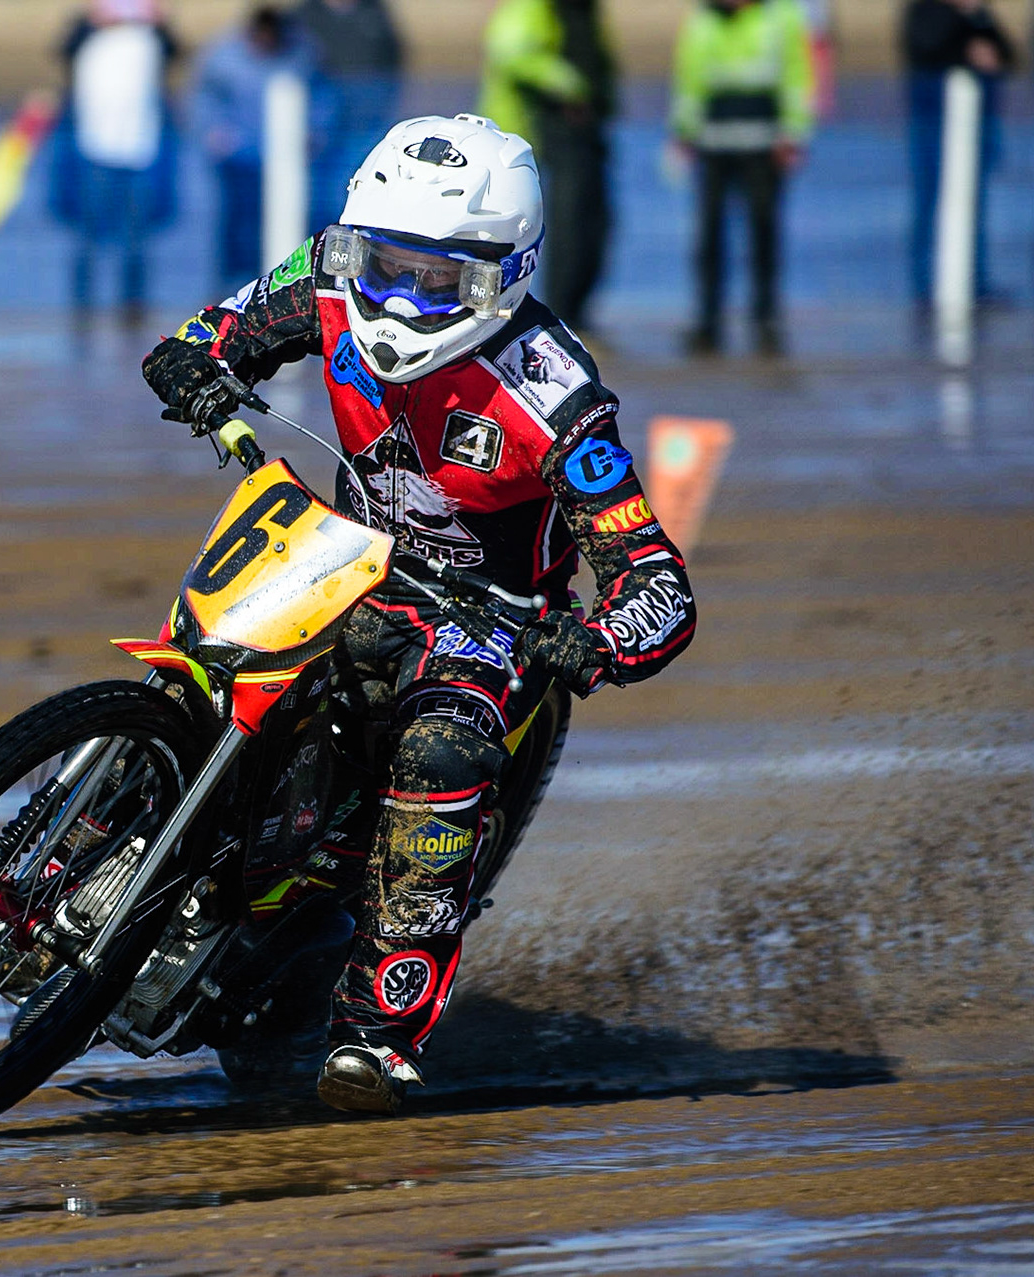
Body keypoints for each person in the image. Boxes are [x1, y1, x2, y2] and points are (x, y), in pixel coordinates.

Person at [140, 114, 696, 1113]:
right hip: (343, 562)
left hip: (491, 625)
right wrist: (192, 359)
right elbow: (222, 325)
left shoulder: (558, 397)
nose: (399, 299)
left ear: (503, 276)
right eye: (385, 265)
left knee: (441, 754)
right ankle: (48, 879)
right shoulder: (328, 275)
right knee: (203, 655)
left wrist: (597, 638)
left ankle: (375, 1033)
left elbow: (658, 581)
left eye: (438, 281)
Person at [668, 0, 814, 357]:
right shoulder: (703, 20)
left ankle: (766, 321)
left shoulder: (782, 17)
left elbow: (797, 76)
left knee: (764, 231)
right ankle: (708, 322)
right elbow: (689, 80)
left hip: (764, 144)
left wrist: (794, 133)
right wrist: (683, 133)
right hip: (713, 143)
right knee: (709, 236)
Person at [478, 0, 617, 331]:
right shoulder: (528, 8)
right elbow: (511, 55)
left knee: (584, 224)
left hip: (568, 136)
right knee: (507, 235)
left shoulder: (580, 12)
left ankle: (566, 315)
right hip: (513, 139)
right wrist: (569, 84)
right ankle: (499, 317)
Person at [50, 1, 181, 328]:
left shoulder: (150, 39)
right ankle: (82, 309)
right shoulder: (87, 37)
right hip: (93, 150)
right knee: (88, 236)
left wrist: (160, 22)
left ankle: (132, 310)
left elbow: (176, 53)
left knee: (136, 239)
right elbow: (63, 50)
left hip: (140, 151)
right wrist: (91, 21)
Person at [192, 7, 317, 290]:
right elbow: (204, 98)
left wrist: (315, 133)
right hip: (236, 159)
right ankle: (229, 286)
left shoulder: (300, 55)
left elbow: (322, 95)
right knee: (235, 223)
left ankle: (273, 286)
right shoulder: (224, 57)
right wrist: (212, 132)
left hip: (283, 162)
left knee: (281, 223)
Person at [903, 0, 1014, 306]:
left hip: (977, 122)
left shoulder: (979, 13)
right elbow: (926, 48)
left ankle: (974, 281)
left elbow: (1008, 54)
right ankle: (927, 284)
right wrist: (965, 42)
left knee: (972, 204)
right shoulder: (926, 9)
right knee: (931, 201)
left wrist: (979, 23)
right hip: (934, 123)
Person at [291, 0, 405, 234]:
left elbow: (392, 56)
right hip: (320, 128)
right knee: (314, 196)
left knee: (356, 188)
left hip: (366, 126)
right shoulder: (305, 15)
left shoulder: (373, 11)